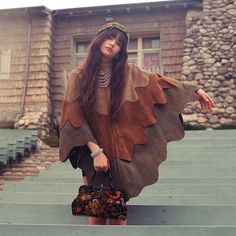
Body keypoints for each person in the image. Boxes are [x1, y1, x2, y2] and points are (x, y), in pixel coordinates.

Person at [59, 22, 215, 225]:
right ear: (99, 39)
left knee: (117, 215)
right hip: (91, 153)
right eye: (110, 38)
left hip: (121, 153)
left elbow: (159, 82)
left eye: (119, 43)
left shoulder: (128, 72)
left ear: (121, 51)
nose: (113, 44)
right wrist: (96, 152)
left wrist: (194, 90)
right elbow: (74, 116)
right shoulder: (78, 76)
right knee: (97, 216)